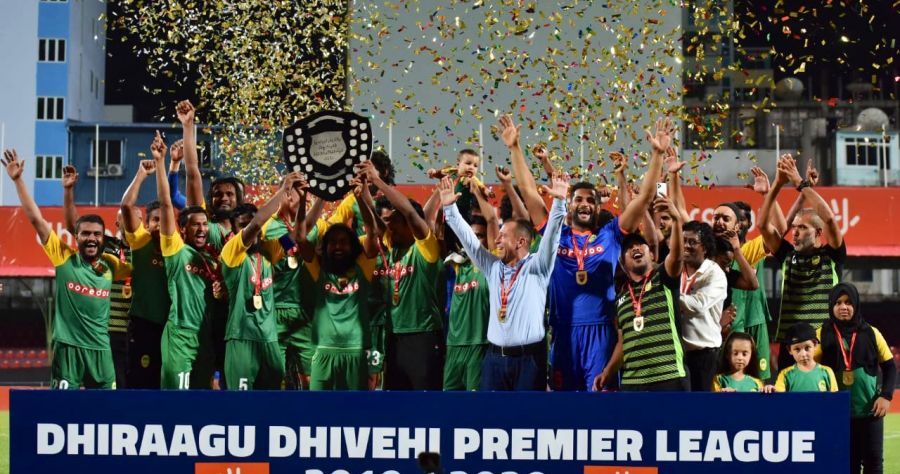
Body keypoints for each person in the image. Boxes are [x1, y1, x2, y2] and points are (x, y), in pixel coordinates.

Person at [499, 115, 673, 392]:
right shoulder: (555, 233)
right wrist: (514, 148)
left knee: (600, 402)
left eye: (591, 200)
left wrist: (657, 155)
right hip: (563, 331)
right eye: (578, 199)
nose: (585, 204)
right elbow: (530, 192)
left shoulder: (611, 234)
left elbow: (644, 198)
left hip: (601, 331)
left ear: (597, 207)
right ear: (569, 205)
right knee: (566, 406)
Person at [3, 149, 131, 389]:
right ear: (76, 236)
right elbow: (37, 220)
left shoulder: (111, 265)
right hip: (67, 349)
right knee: (62, 406)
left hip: (101, 350)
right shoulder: (64, 257)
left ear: (103, 238)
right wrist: (18, 180)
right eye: (85, 234)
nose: (91, 238)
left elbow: (143, 269)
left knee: (107, 407)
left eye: (96, 234)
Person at [440, 171, 569, 391]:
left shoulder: (537, 266)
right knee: (491, 412)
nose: (497, 240)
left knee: (525, 414)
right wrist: (450, 209)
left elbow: (553, 236)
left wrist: (559, 202)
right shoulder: (492, 267)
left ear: (521, 242)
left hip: (529, 361)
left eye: (503, 236)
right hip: (494, 360)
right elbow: (470, 242)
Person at [361, 160, 445, 390]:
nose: (390, 227)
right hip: (393, 337)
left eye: (396, 222)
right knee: (396, 402)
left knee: (425, 402)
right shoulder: (392, 247)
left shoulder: (425, 248)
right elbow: (374, 223)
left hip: (423, 336)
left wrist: (378, 180)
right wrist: (362, 189)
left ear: (411, 224)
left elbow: (408, 210)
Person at [758, 154, 846, 372]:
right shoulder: (787, 256)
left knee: (826, 391)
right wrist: (777, 184)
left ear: (818, 233)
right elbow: (763, 225)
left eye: (802, 228)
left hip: (824, 341)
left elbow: (829, 219)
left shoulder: (832, 255)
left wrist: (800, 182)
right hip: (791, 343)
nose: (794, 232)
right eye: (794, 227)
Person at [219, 174, 306, 390]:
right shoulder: (232, 253)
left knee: (271, 401)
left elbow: (299, 234)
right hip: (241, 338)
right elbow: (257, 223)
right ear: (235, 231)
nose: (255, 231)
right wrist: (283, 190)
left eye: (253, 225)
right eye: (243, 225)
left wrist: (305, 200)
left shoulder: (269, 253)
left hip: (269, 339)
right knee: (241, 404)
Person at [594, 196, 687, 392]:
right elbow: (623, 342)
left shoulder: (664, 277)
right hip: (632, 383)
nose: (635, 248)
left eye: (639, 245)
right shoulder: (620, 298)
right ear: (622, 263)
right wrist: (607, 372)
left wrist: (677, 221)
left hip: (669, 376)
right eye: (628, 248)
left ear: (651, 254)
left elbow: (677, 257)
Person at [295, 176, 380, 390]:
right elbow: (300, 237)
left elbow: (373, 232)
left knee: (354, 410)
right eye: (332, 242)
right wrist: (305, 199)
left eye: (343, 242)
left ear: (353, 246)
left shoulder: (363, 268)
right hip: (323, 352)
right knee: (318, 410)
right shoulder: (319, 270)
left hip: (356, 352)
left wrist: (360, 198)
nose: (338, 247)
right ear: (325, 247)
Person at [152, 131, 217, 389]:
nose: (201, 229)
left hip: (206, 337)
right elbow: (166, 205)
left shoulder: (214, 258)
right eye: (195, 225)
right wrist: (161, 163)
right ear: (183, 229)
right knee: (177, 400)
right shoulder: (176, 250)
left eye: (204, 224)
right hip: (180, 334)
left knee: (202, 400)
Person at [817, 283, 896, 473]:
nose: (843, 307)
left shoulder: (872, 333)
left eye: (848, 302)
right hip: (837, 414)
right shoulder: (820, 334)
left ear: (856, 304)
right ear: (831, 306)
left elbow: (890, 367)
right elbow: (810, 368)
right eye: (838, 303)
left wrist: (886, 396)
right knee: (847, 465)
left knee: (873, 464)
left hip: (870, 413)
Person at [120, 159, 170, 388]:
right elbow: (127, 207)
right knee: (141, 381)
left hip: (172, 327)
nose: (160, 224)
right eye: (155, 220)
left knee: (166, 382)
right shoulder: (141, 242)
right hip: (143, 326)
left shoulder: (178, 248)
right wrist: (141, 174)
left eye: (164, 219)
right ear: (146, 224)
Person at [443, 214, 491, 391]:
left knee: (474, 404)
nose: (473, 240)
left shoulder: (491, 266)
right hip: (453, 346)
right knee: (449, 403)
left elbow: (492, 221)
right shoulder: (455, 265)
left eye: (479, 236)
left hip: (479, 345)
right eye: (470, 235)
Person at [679, 221, 728, 391]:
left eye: (692, 242)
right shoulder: (676, 269)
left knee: (701, 405)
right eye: (683, 241)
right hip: (678, 355)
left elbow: (698, 305)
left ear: (705, 248)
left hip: (704, 357)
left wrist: (671, 294)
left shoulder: (715, 274)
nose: (686, 246)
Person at [767, 322, 838, 393]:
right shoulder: (785, 375)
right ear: (789, 350)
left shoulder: (827, 372)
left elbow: (835, 398)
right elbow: (778, 395)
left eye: (807, 348)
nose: (803, 354)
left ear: (815, 344)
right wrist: (771, 390)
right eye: (797, 349)